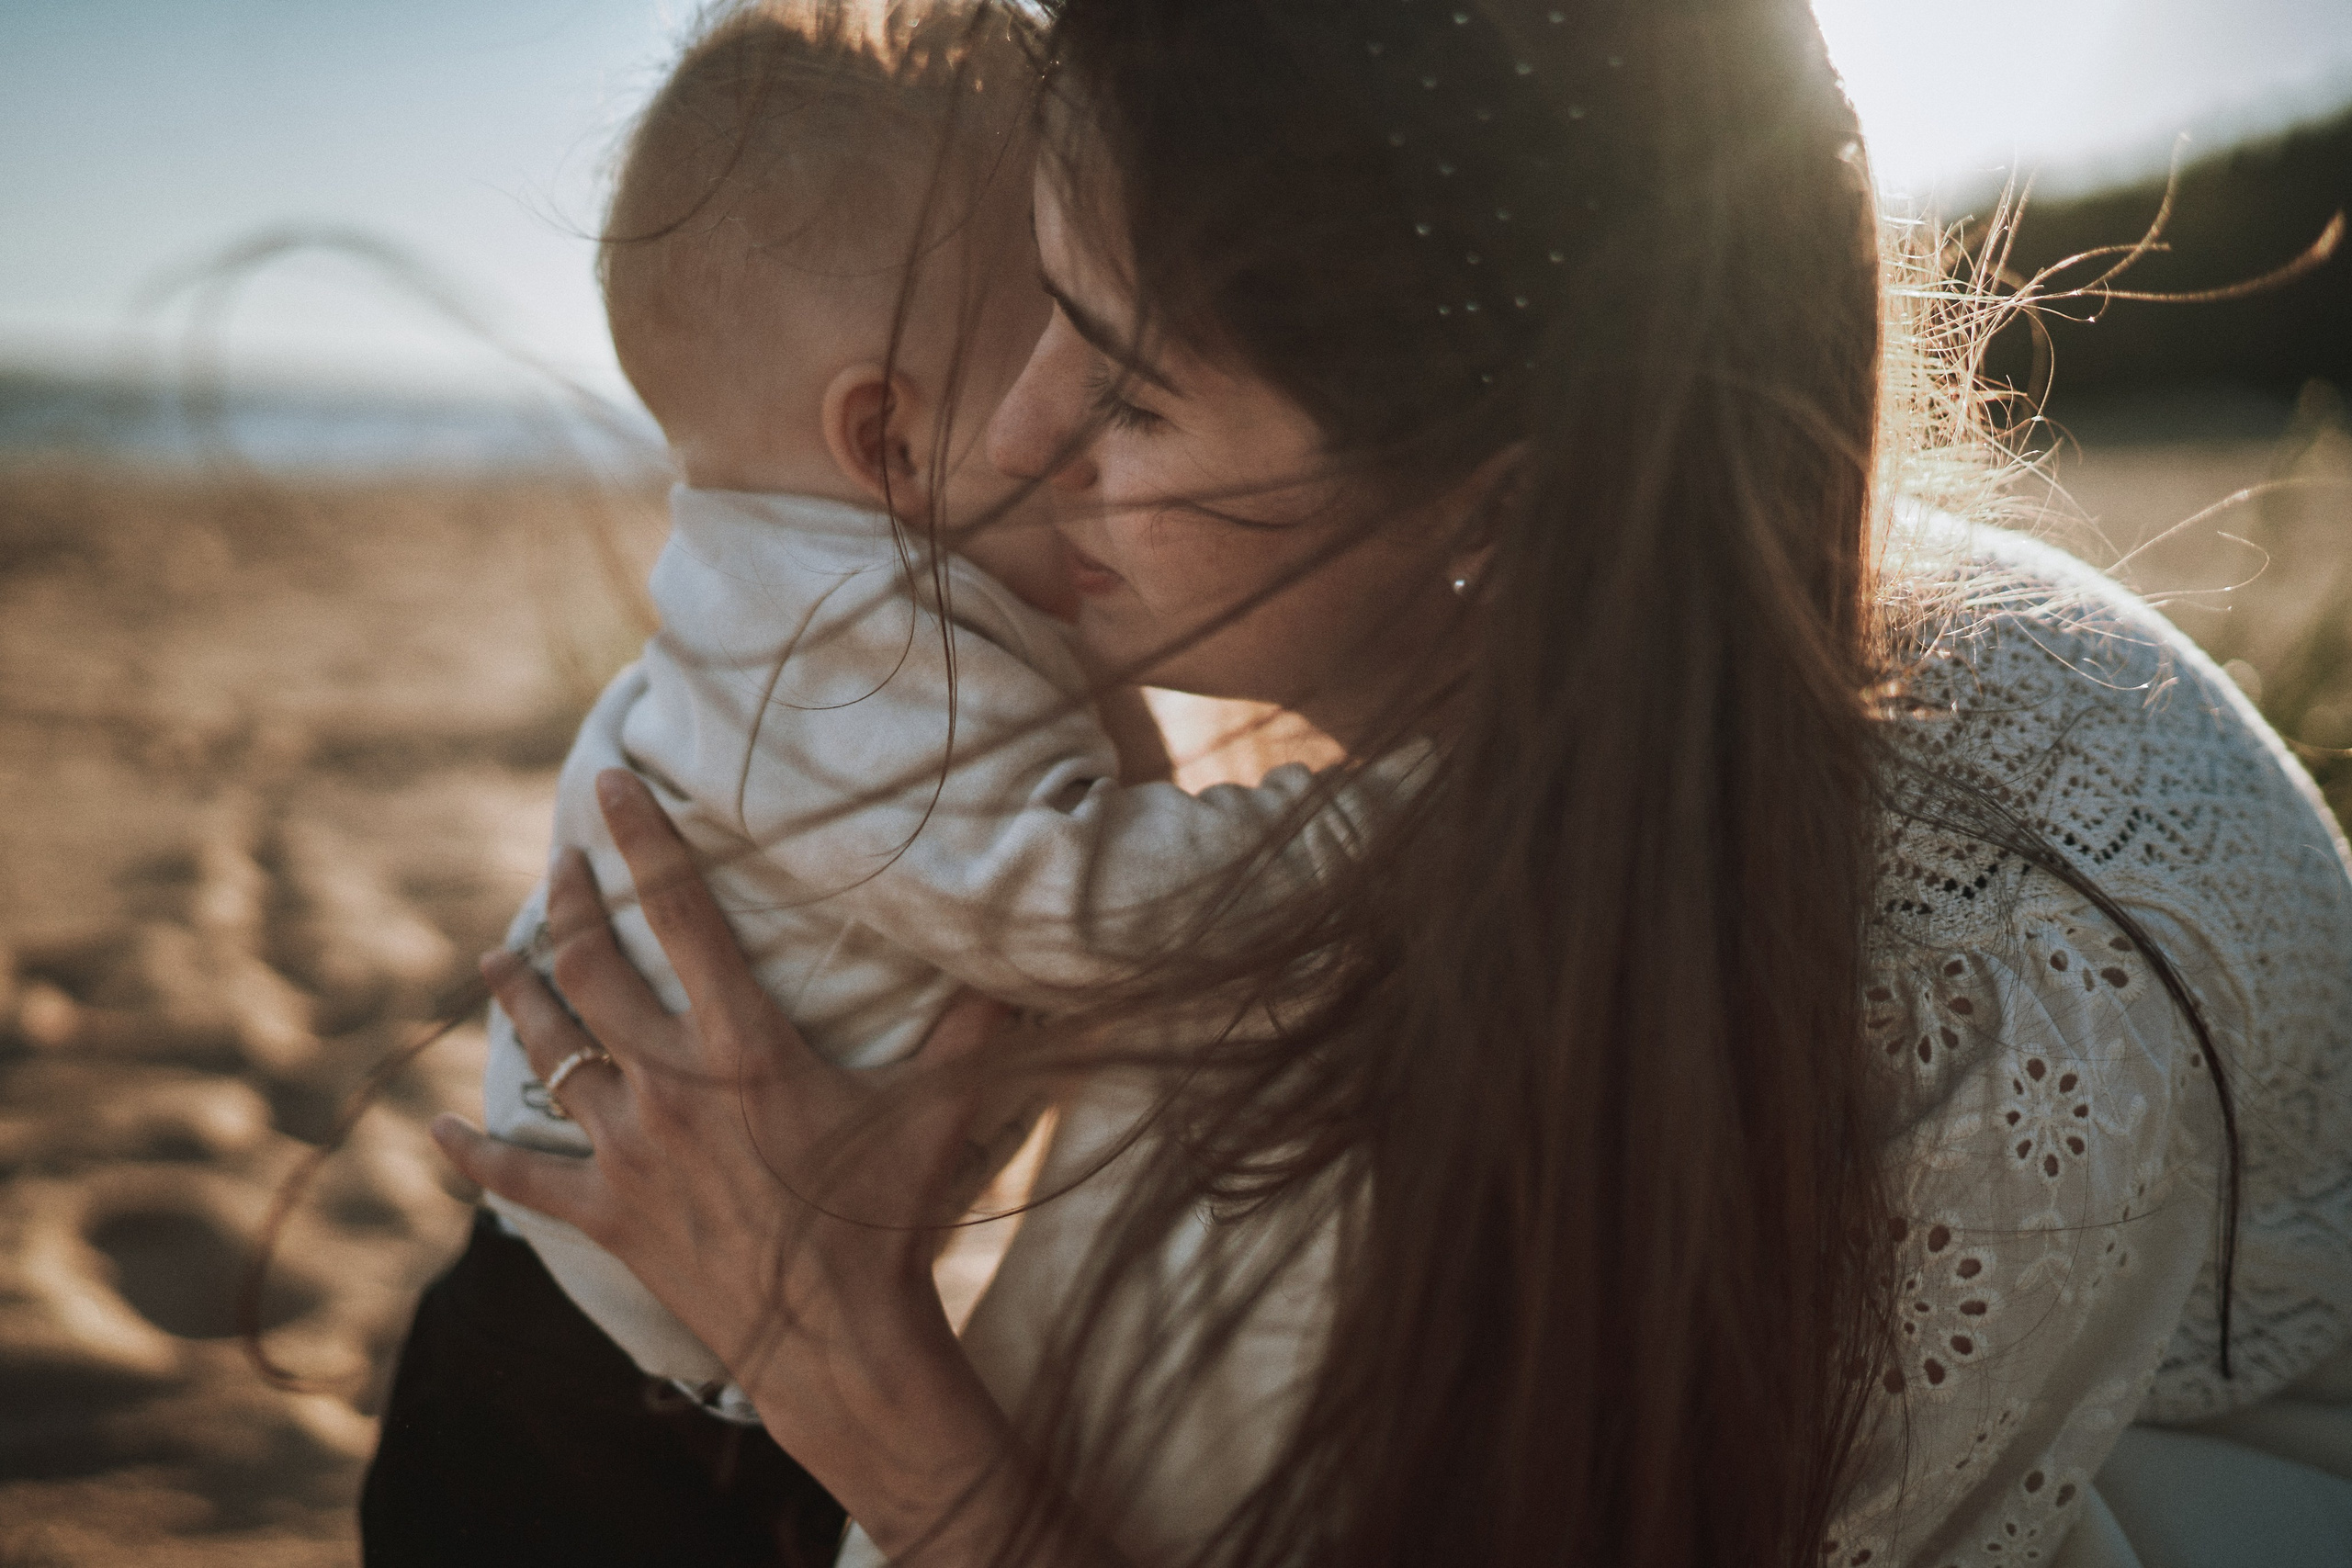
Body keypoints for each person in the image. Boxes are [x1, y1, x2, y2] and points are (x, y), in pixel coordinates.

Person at [434, 1, 2352, 1564]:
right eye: (1036, 309)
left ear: (1494, 511)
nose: (1010, 439)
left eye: (1122, 387)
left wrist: (832, 1357)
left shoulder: (1953, 985)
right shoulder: (1607, 606)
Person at [364, 4, 1414, 1562]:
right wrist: (1393, 823)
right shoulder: (844, 651)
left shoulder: (847, 590)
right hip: (583, 1406)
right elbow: (1072, 906)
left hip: (684, 1354)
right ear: (887, 440)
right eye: (1056, 349)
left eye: (1120, 375)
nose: (1063, 420)